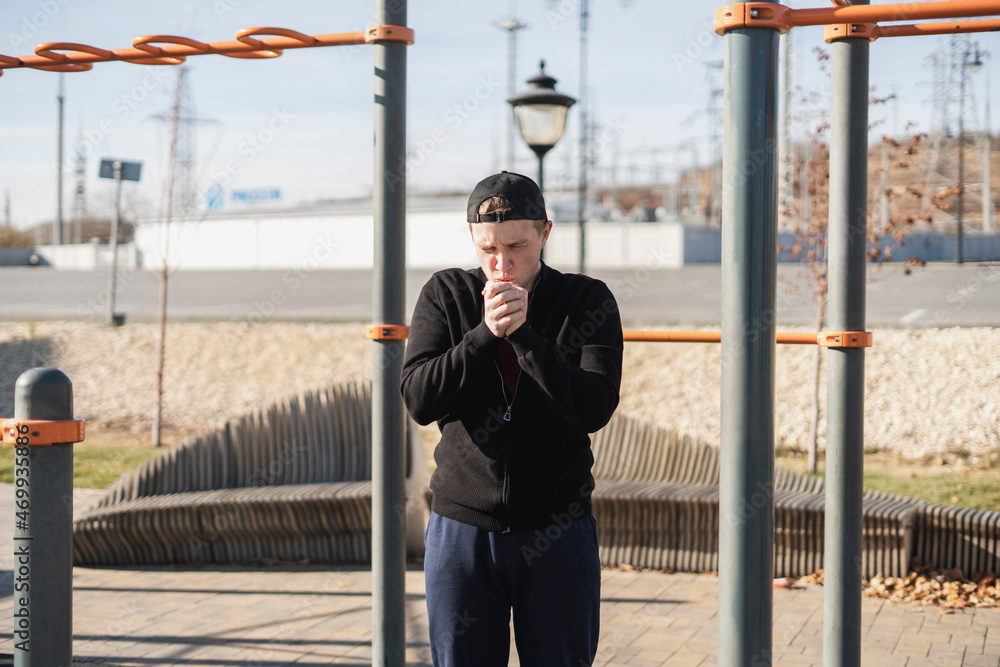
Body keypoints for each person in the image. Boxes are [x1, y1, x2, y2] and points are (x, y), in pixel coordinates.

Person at [400, 171, 624, 666]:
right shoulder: (446, 293)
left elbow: (595, 405)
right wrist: (483, 335)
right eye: (488, 249)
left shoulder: (587, 300)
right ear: (473, 242)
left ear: (545, 233)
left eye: (516, 246)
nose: (501, 264)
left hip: (557, 528)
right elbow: (419, 398)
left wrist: (524, 337)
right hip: (461, 528)